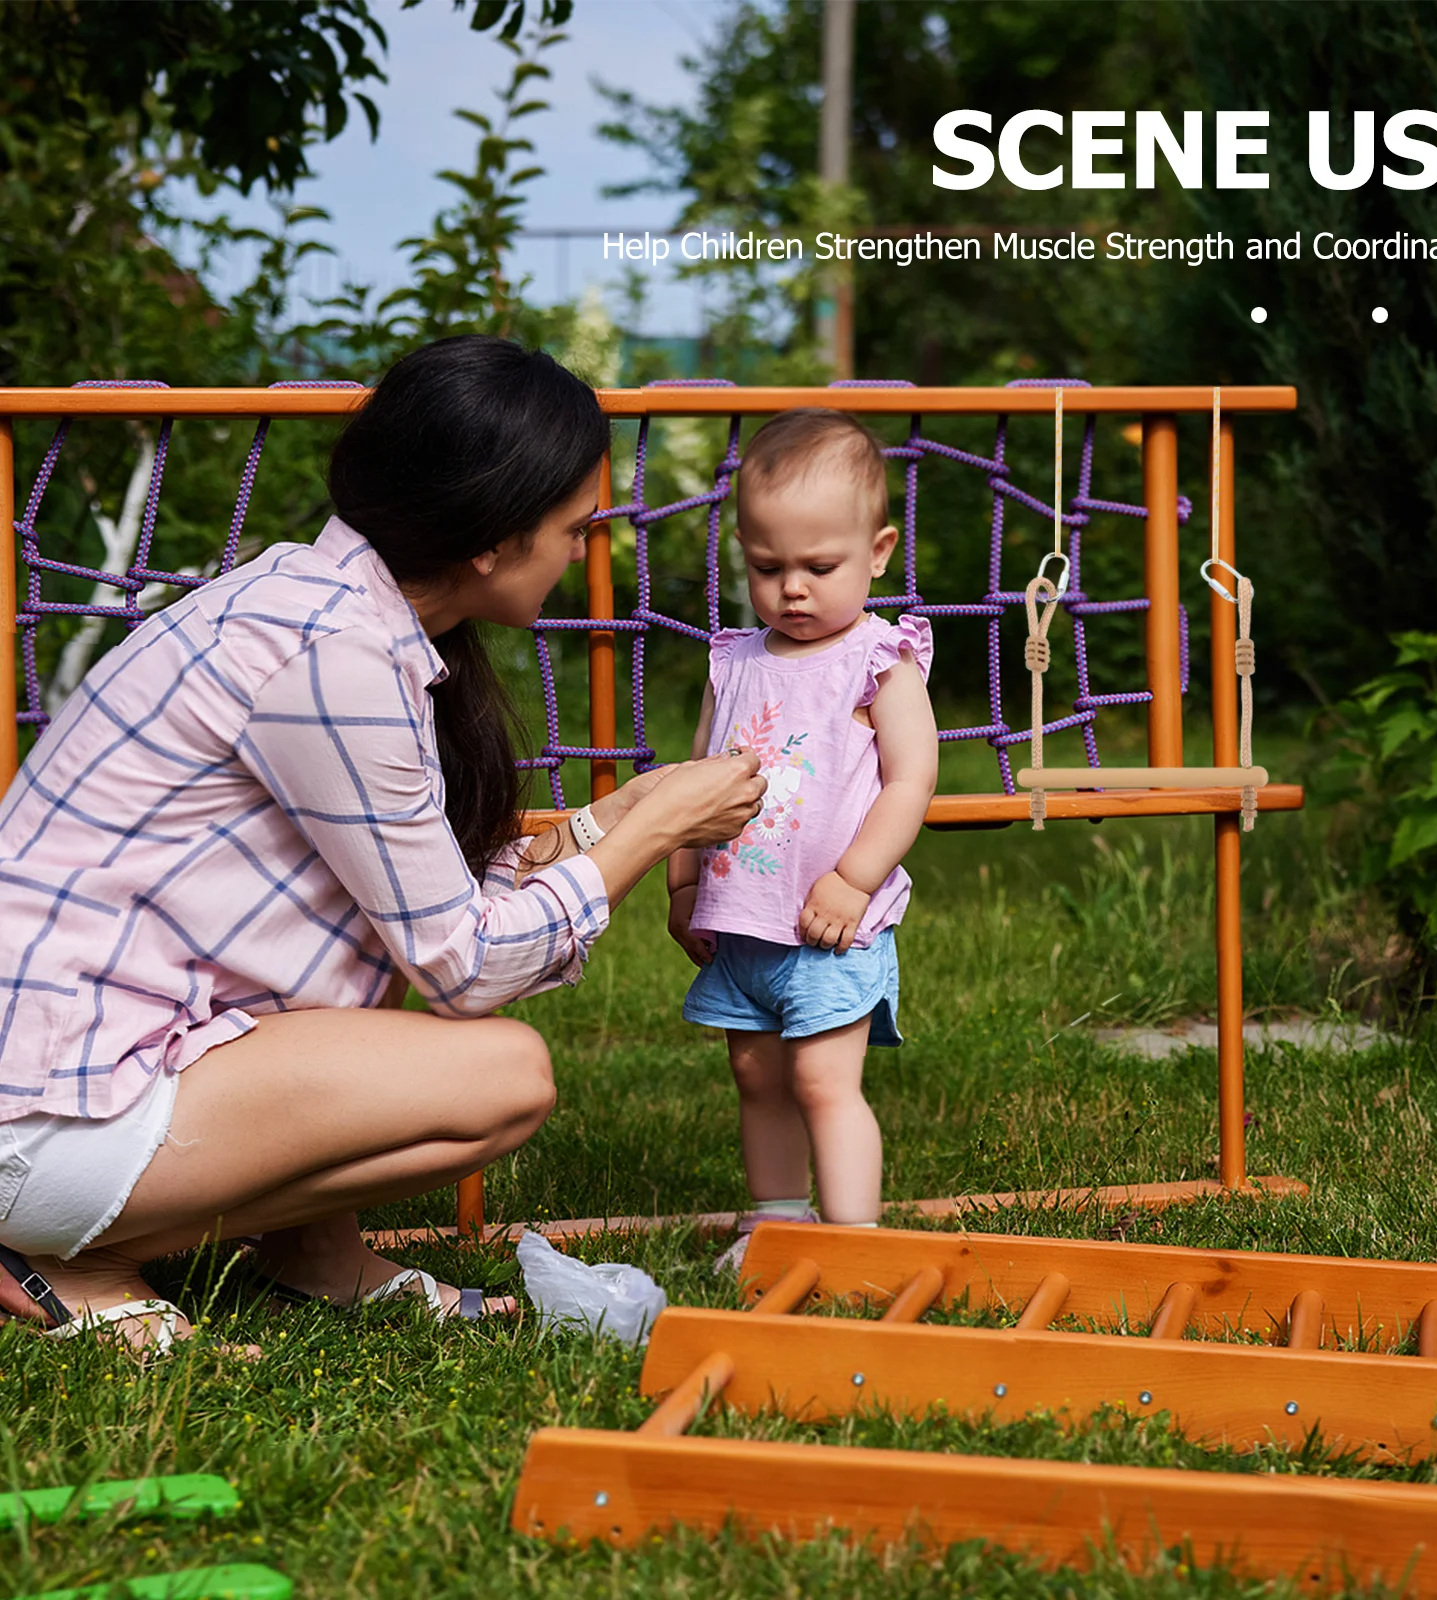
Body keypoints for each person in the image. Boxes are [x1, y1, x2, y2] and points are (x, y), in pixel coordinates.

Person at [0, 336, 766, 1350]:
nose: (593, 551)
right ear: (491, 539)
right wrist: (656, 832)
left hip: (94, 1055)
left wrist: (601, 824)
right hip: (42, 1108)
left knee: (392, 993)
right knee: (501, 1078)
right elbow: (464, 962)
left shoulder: (337, 613)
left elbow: (412, 893)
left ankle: (310, 1258)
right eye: (575, 528)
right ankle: (56, 1251)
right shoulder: (335, 662)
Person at [666, 409, 939, 1266]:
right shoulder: (733, 660)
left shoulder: (879, 660)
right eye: (767, 566)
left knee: (825, 1081)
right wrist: (682, 885)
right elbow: (695, 779)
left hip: (830, 927)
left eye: (820, 567)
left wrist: (854, 879)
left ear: (879, 553)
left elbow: (912, 780)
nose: (793, 588)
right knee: (757, 1077)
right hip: (743, 921)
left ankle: (856, 1244)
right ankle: (778, 1225)